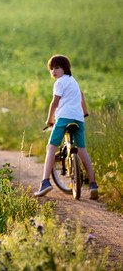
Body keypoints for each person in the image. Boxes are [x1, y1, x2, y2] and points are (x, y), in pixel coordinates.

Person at [35, 54, 98, 200]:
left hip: (63, 119)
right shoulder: (73, 81)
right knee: (82, 150)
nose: (54, 71)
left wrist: (49, 119)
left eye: (57, 68)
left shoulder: (59, 82)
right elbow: (81, 94)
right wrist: (85, 111)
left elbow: (55, 102)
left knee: (51, 147)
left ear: (65, 69)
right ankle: (93, 184)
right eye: (51, 69)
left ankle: (45, 182)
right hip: (78, 119)